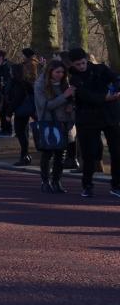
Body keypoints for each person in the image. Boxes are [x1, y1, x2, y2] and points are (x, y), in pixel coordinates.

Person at [66, 47, 120, 198]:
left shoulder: (101, 69)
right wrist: (105, 98)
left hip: (109, 116)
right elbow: (86, 96)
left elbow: (116, 78)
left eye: (83, 63)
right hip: (88, 119)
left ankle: (116, 184)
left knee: (116, 151)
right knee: (89, 154)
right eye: (78, 64)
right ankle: (87, 185)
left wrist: (116, 89)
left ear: (86, 60)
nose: (81, 67)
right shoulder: (74, 79)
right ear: (73, 64)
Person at [33, 60, 74, 194]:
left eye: (62, 72)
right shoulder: (40, 85)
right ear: (50, 71)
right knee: (47, 153)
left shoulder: (65, 84)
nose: (60, 75)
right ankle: (45, 181)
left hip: (64, 123)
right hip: (48, 123)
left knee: (61, 154)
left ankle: (56, 180)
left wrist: (71, 105)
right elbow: (45, 105)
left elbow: (71, 101)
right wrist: (64, 96)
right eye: (57, 72)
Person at [9, 48, 40, 166]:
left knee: (21, 131)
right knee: (26, 129)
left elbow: (17, 98)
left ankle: (25, 155)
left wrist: (9, 112)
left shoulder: (28, 67)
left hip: (24, 106)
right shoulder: (35, 64)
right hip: (31, 103)